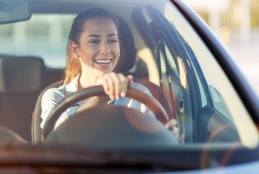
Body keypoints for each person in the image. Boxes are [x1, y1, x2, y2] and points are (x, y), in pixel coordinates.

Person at [40, 8, 179, 138]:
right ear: (75, 49)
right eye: (94, 41)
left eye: (112, 40)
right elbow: (56, 141)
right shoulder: (55, 97)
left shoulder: (139, 95)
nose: (105, 50)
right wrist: (98, 99)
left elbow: (153, 145)